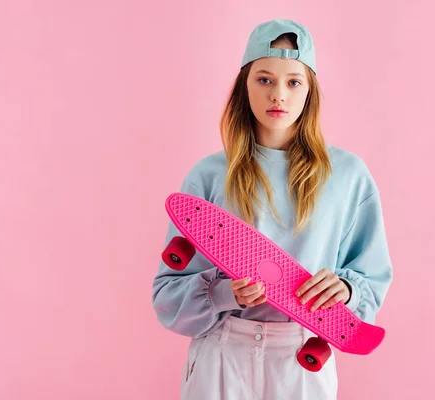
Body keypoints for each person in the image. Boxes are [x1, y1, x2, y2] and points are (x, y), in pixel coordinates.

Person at [152, 18, 393, 400]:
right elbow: (167, 293)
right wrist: (225, 293)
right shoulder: (209, 175)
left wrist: (346, 289)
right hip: (222, 354)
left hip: (301, 360)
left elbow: (372, 276)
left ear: (310, 90)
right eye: (264, 79)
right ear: (244, 86)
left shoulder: (348, 176)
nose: (278, 94)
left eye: (293, 82)